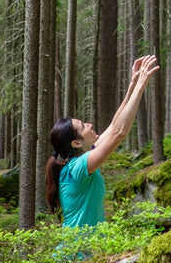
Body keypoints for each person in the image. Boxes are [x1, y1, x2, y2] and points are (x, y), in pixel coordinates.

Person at [45, 54, 159, 228]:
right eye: (83, 126)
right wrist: (140, 87)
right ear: (76, 143)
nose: (90, 125)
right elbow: (119, 133)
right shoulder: (78, 168)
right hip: (78, 253)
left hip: (87, 250)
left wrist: (132, 84)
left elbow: (114, 126)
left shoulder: (80, 159)